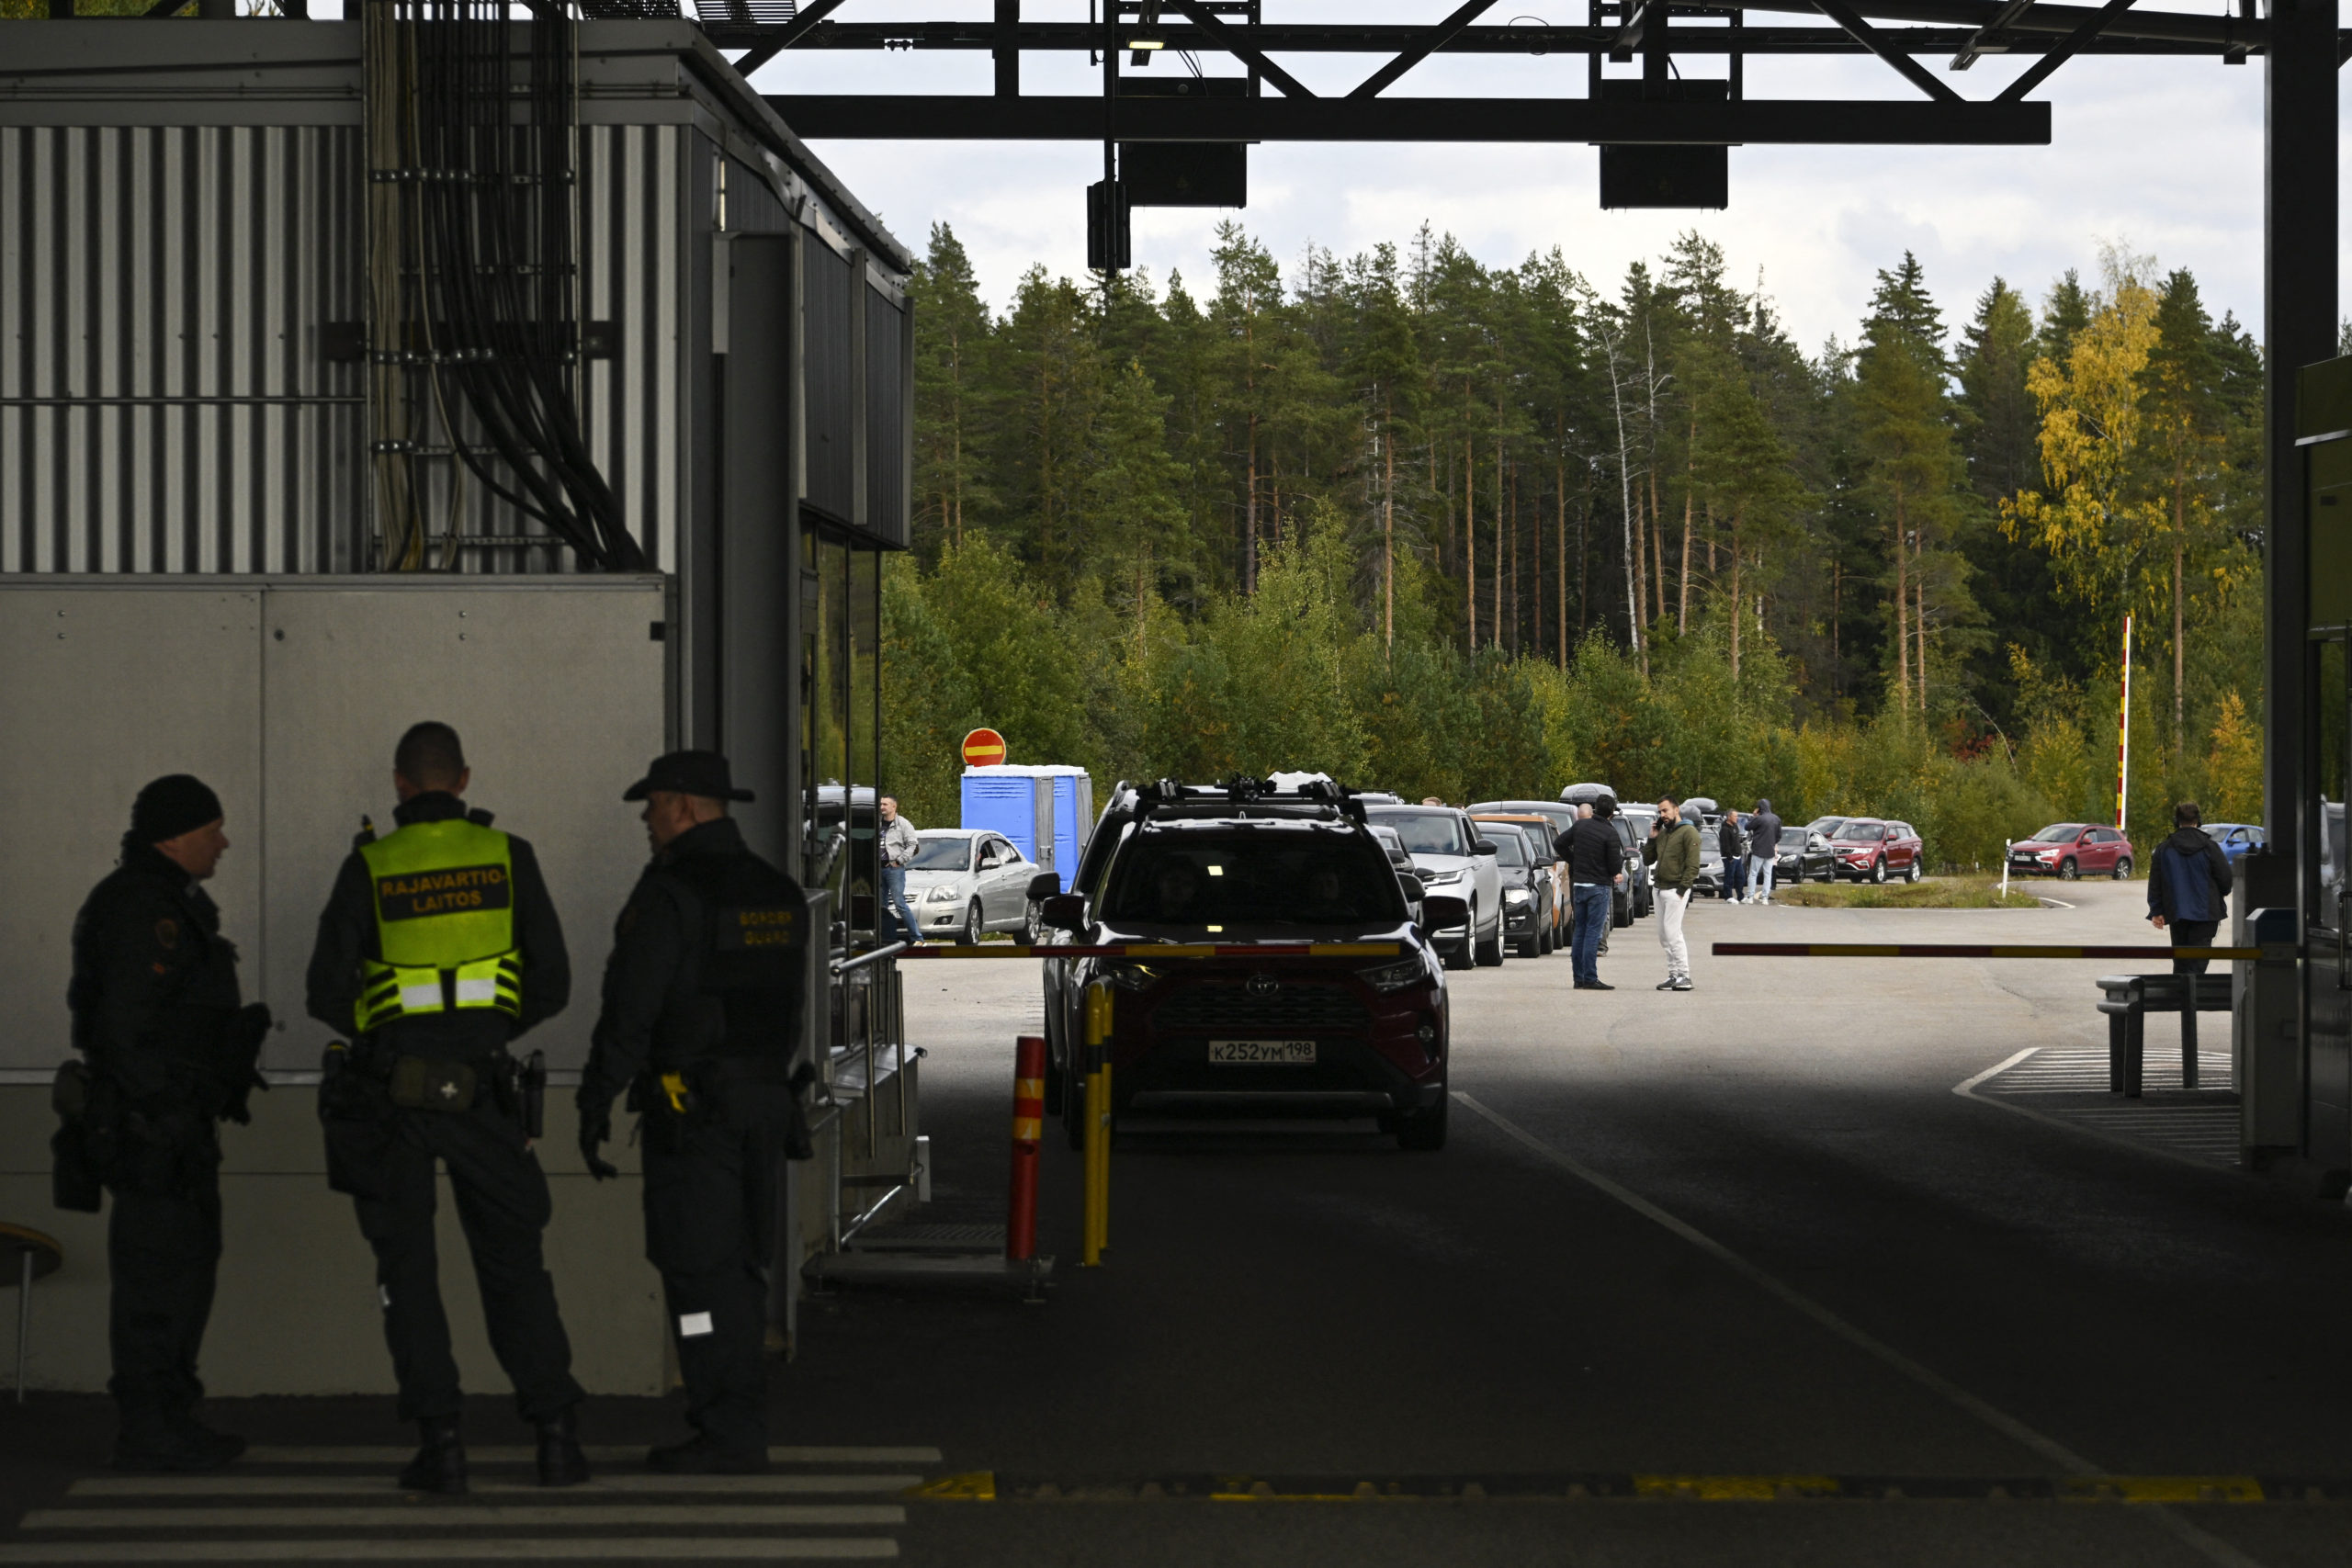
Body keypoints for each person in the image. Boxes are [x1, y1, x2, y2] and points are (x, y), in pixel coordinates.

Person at [306, 723, 586, 1495]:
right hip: (483, 1092)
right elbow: (554, 979)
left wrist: (390, 1040)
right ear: (462, 780)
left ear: (401, 784)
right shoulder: (509, 857)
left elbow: (324, 993)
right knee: (514, 1267)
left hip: (391, 1097)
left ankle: (443, 1446)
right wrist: (487, 1034)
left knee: (410, 1272)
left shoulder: (369, 865)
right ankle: (558, 1439)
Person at [578, 750, 811, 1474]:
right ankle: (735, 1416)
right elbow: (785, 1010)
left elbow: (631, 1012)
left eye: (650, 808)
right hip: (765, 1108)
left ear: (681, 806)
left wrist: (595, 1101)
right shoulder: (778, 892)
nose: (647, 824)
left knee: (695, 1275)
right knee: (741, 1269)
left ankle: (725, 1425)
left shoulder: (671, 895)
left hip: (696, 1117)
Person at [63, 775, 269, 1472]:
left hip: (173, 1126)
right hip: (155, 1131)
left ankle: (170, 1417)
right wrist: (168, 1102)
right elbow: (124, 1029)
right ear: (175, 835)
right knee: (158, 1280)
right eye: (213, 829)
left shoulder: (164, 901)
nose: (224, 841)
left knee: (183, 1275)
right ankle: (150, 1426)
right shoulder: (140, 909)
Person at [2148, 801, 2234, 975]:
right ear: (2198, 821)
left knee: (2180, 963)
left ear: (2176, 821)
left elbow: (2155, 883)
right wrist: (2218, 895)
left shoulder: (2164, 849)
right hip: (2206, 914)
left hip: (2177, 914)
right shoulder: (2211, 848)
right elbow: (2226, 880)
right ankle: (2193, 998)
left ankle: (2181, 998)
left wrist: (2157, 910)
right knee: (2198, 965)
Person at [1556, 795, 1627, 991]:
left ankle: (1578, 978)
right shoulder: (1609, 832)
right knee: (1593, 932)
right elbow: (1615, 862)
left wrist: (1574, 860)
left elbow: (1559, 843)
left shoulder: (1580, 827)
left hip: (1579, 884)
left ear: (1595, 809)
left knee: (1580, 930)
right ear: (1612, 812)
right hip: (1598, 887)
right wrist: (1616, 873)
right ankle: (1590, 977)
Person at [1645, 798, 1701, 991]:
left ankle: (1684, 975)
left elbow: (1693, 866)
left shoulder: (1689, 832)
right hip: (1659, 888)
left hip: (1676, 889)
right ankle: (1673, 975)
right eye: (1660, 812)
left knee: (1672, 932)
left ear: (1676, 810)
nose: (1663, 815)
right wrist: (1652, 838)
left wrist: (1682, 890)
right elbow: (1647, 860)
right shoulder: (1663, 833)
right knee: (1663, 935)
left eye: (1666, 811)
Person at [876, 796, 922, 945]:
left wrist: (900, 860)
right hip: (878, 869)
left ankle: (917, 938)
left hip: (894, 869)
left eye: (885, 804)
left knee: (899, 903)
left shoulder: (902, 824)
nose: (882, 807)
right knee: (880, 906)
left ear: (894, 807)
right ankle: (885, 939)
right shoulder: (876, 822)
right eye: (881, 804)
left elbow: (913, 845)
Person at [1746, 798, 1783, 905]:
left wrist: (1754, 816)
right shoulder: (1776, 819)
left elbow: (1747, 827)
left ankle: (1750, 896)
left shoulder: (1759, 819)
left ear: (1759, 808)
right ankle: (1765, 897)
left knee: (1753, 873)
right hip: (1770, 850)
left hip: (1758, 849)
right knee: (1768, 874)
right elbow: (1779, 835)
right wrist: (1772, 843)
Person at [1718, 807, 1748, 904]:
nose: (1737, 818)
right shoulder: (1724, 829)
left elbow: (1735, 841)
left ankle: (1740, 896)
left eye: (1737, 816)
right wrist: (1730, 857)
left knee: (1741, 877)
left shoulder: (1735, 827)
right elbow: (1725, 845)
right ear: (1729, 817)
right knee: (1729, 877)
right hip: (1729, 858)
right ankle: (1728, 897)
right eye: (1735, 816)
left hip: (1737, 856)